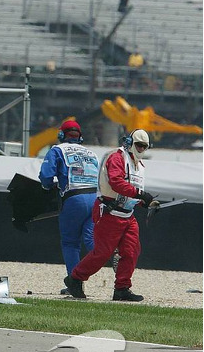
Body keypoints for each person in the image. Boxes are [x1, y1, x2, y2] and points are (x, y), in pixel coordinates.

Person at [64, 129, 156, 302]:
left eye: (145, 146)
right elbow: (116, 182)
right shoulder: (116, 158)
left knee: (131, 251)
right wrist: (140, 194)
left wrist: (144, 203)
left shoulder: (140, 165)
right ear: (130, 142)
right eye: (139, 145)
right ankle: (75, 278)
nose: (142, 149)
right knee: (102, 253)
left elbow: (131, 191)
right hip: (109, 212)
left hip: (127, 215)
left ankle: (122, 288)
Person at [39, 119, 99, 293]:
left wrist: (47, 186)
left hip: (74, 200)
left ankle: (75, 284)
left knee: (71, 243)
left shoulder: (57, 150)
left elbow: (46, 176)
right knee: (91, 240)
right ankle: (110, 254)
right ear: (79, 137)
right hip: (94, 198)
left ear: (60, 135)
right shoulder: (92, 153)